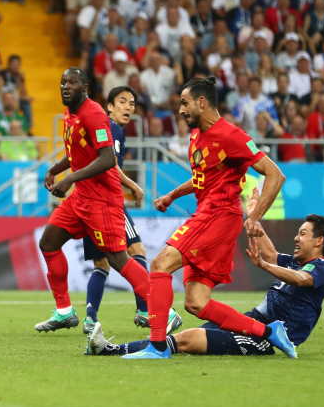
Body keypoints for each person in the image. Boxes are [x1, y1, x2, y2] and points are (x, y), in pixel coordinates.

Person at [125, 76, 293, 359]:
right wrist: (172, 195)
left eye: (184, 103)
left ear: (202, 102)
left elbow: (275, 174)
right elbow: (201, 178)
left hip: (218, 216)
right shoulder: (197, 137)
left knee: (160, 263)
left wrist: (255, 217)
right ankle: (269, 332)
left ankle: (157, 347)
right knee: (197, 303)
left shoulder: (231, 136)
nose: (180, 110)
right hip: (208, 214)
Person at [88, 205, 324, 359]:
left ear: (318, 241)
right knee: (190, 334)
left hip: (267, 340)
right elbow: (269, 254)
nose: (296, 237)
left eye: (303, 234)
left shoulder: (320, 269)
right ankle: (115, 349)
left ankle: (113, 350)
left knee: (190, 338)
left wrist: (265, 266)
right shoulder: (291, 260)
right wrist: (251, 217)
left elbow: (302, 279)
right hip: (254, 321)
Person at [34, 68, 160, 334]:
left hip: (102, 200)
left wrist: (69, 179)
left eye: (72, 82)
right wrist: (56, 170)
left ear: (85, 86)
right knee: (49, 243)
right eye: (62, 82)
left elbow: (106, 160)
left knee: (119, 258)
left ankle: (161, 310)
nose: (65, 86)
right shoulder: (71, 115)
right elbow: (78, 153)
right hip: (82, 197)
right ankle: (65, 311)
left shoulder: (94, 115)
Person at [80, 87, 181, 334]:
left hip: (86, 202)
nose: (128, 107)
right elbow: (110, 165)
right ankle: (145, 310)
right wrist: (133, 184)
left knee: (101, 264)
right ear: (110, 106)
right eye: (122, 102)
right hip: (108, 202)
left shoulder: (102, 128)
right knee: (137, 250)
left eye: (132, 104)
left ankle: (90, 318)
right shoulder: (112, 129)